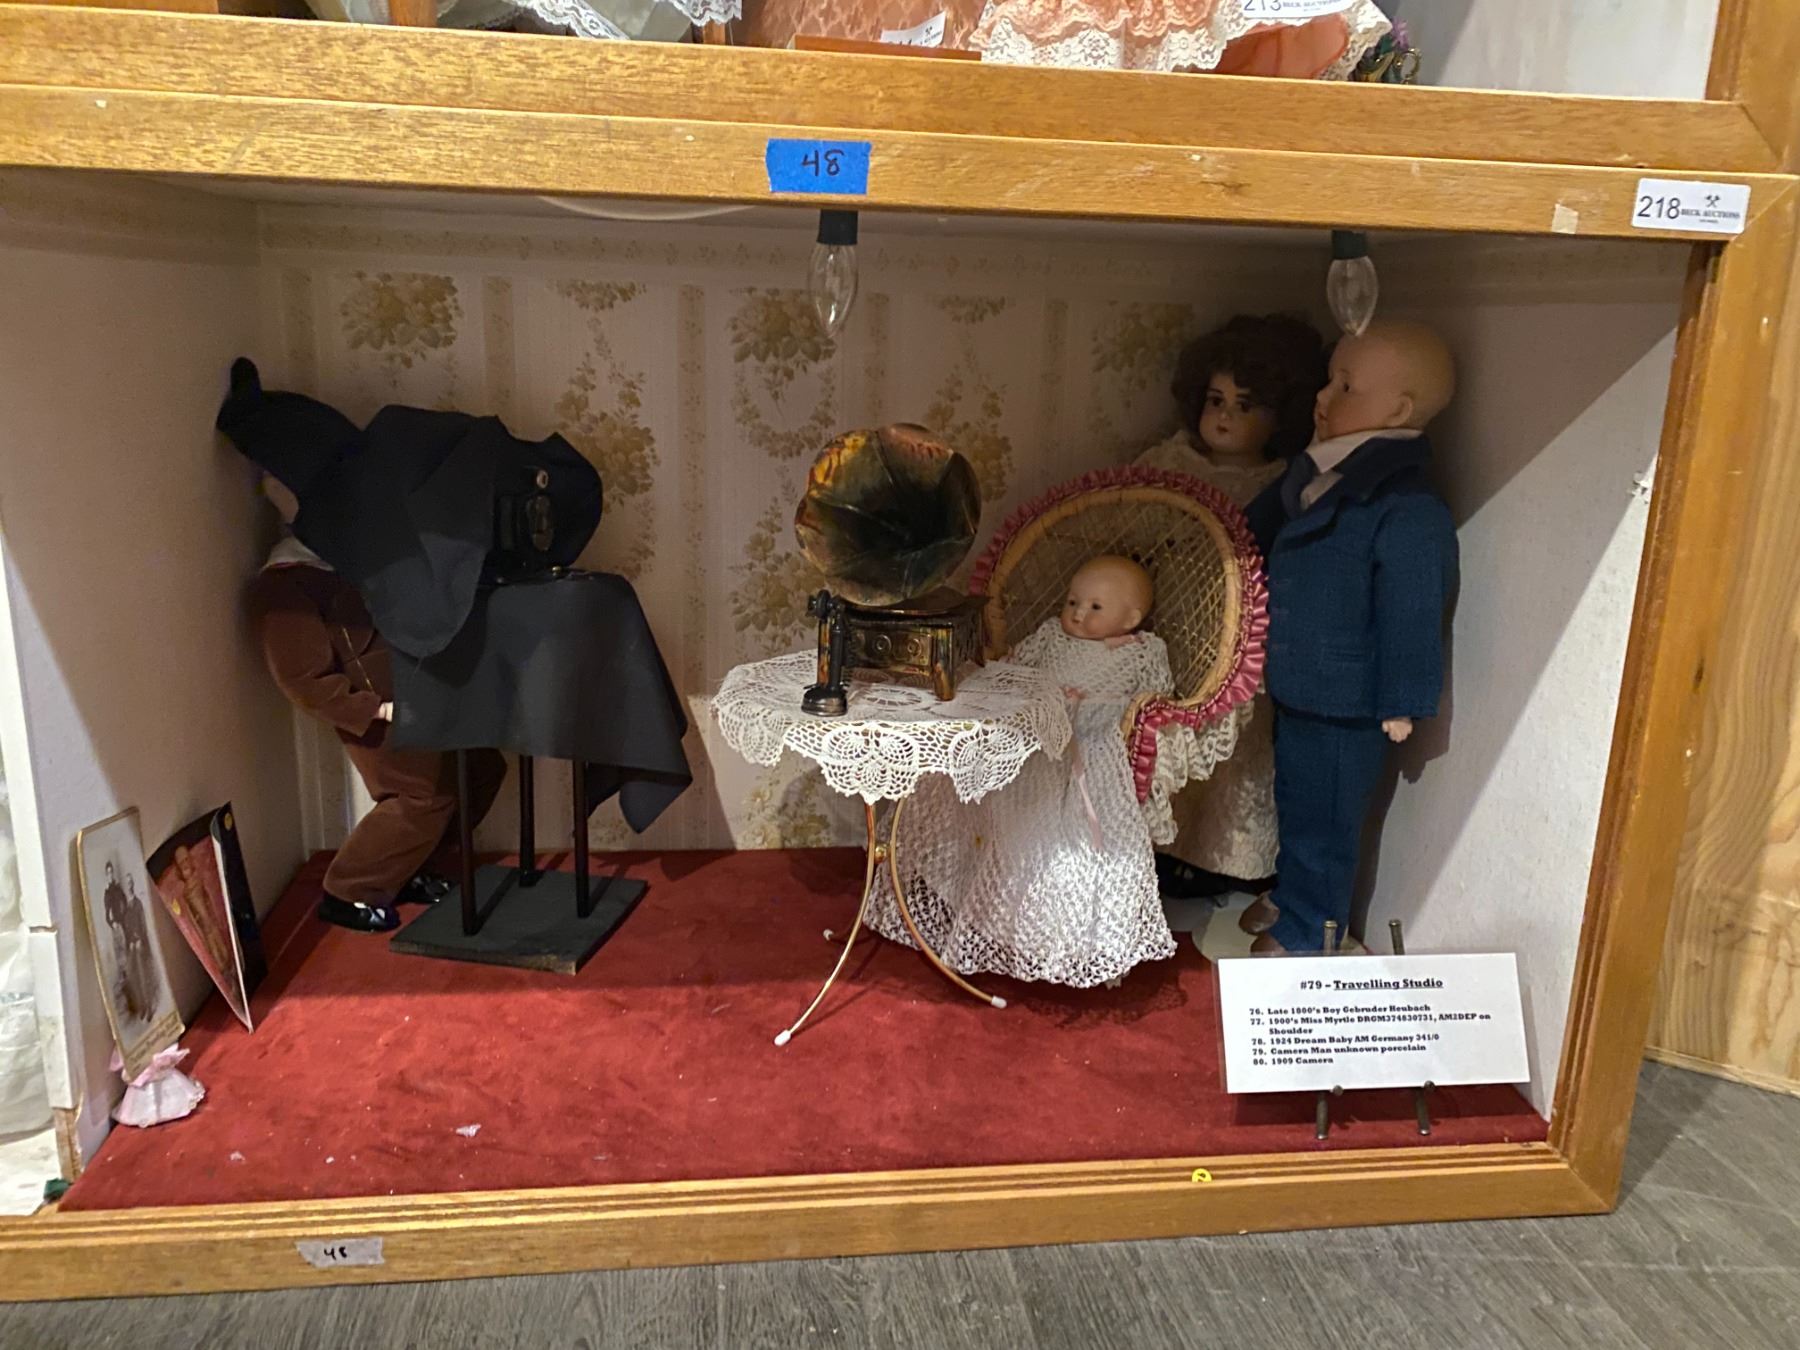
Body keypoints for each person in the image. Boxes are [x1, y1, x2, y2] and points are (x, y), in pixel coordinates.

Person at [1240, 320, 1460, 954]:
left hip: (1346, 694)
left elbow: (1414, 602)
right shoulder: (1320, 468)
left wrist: (1402, 697)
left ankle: (1313, 929)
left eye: (1345, 385)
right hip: (1298, 677)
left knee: (1331, 817)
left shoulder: (1405, 503)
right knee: (1295, 799)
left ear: (1398, 410)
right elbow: (1257, 525)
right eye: (1329, 380)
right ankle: (1292, 893)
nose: (1323, 396)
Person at [871, 555, 1177, 987]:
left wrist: (1114, 709)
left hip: (1092, 747)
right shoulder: (1052, 635)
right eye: (1073, 602)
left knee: (1077, 842)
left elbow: (1158, 695)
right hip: (1036, 738)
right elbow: (1015, 669)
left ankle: (1074, 938)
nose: (1078, 613)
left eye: (1095, 607)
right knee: (1004, 817)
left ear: (1131, 618)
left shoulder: (1144, 650)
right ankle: (990, 913)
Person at [249, 474, 506, 933]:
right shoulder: (288, 581)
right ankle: (349, 889)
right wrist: (370, 709)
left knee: (479, 769)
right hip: (382, 712)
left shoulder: (356, 563)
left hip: (423, 693)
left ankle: (408, 868)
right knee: (419, 794)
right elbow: (300, 674)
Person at [1135, 313, 1327, 900]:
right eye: (1215, 400)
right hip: (1172, 624)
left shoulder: (1284, 481)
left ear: (1280, 416)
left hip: (1243, 636)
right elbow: (1130, 525)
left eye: (1246, 406)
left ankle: (1224, 858)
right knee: (1171, 736)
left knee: (1239, 747)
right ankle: (1162, 847)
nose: (1224, 416)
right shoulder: (1170, 464)